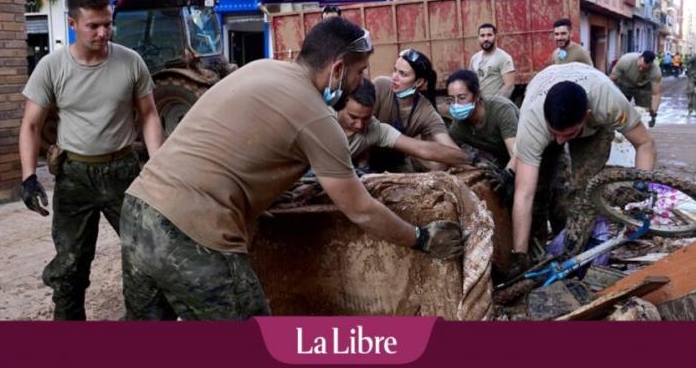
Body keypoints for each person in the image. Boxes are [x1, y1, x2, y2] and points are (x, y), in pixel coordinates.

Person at [120, 18, 465, 320]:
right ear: (338, 67)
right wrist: (420, 238)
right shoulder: (317, 117)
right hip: (194, 232)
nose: (362, 79)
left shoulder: (260, 67)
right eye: (360, 71)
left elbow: (243, 147)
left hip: (138, 210)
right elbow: (360, 209)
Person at [18, 0, 163, 320]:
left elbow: (150, 114)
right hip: (75, 177)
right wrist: (28, 178)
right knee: (70, 268)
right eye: (93, 26)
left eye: (108, 24)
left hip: (123, 173)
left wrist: (159, 165)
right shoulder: (52, 67)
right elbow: (31, 125)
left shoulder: (131, 62)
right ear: (72, 25)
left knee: (146, 256)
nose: (103, 32)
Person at [509, 63, 656, 277]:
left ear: (587, 116)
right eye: (555, 134)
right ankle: (533, 255)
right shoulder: (532, 121)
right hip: (542, 103)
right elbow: (524, 194)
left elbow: (645, 144)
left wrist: (641, 188)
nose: (560, 142)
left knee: (586, 194)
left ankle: (570, 258)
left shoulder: (608, 102)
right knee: (539, 191)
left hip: (593, 130)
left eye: (567, 134)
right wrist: (518, 254)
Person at [337, 78, 473, 166]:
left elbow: (423, 149)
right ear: (339, 105)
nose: (360, 125)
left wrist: (471, 159)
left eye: (366, 118)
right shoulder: (320, 119)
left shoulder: (376, 129)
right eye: (353, 117)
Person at [371, 49, 460, 172]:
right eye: (395, 70)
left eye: (403, 74)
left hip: (396, 161)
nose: (394, 77)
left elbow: (448, 147)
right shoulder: (380, 86)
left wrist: (475, 164)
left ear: (419, 82)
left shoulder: (426, 112)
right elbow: (359, 127)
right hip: (365, 156)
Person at [445, 70, 518, 173]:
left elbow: (516, 154)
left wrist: (505, 176)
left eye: (462, 98)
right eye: (451, 99)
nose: (456, 104)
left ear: (477, 95)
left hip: (530, 161)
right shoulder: (459, 123)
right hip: (503, 162)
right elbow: (447, 152)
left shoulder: (501, 109)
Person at [609, 50, 662, 127]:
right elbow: (611, 80)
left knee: (644, 111)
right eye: (639, 66)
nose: (640, 69)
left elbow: (656, 94)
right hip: (625, 84)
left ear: (651, 65)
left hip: (643, 87)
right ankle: (621, 125)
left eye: (644, 68)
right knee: (621, 109)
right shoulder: (625, 60)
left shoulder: (655, 71)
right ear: (639, 58)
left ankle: (641, 129)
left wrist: (653, 112)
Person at [467, 23, 515, 98]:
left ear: (496, 37)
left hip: (495, 105)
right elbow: (469, 82)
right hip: (479, 104)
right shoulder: (475, 58)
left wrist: (495, 103)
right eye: (482, 35)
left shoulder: (504, 58)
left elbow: (509, 85)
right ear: (478, 38)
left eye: (489, 35)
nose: (486, 39)